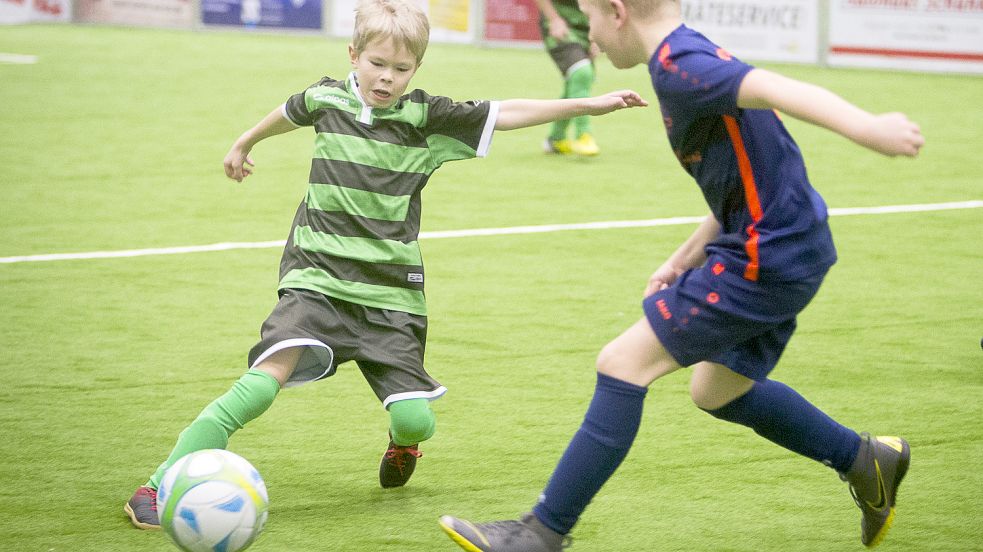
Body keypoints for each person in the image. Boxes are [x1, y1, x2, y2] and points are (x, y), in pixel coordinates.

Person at [123, 0, 646, 531]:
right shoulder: (327, 98)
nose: (386, 78)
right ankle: (160, 482)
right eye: (376, 64)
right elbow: (290, 110)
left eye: (401, 70)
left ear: (416, 70)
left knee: (415, 418)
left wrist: (589, 106)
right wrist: (245, 141)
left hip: (390, 295)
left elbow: (505, 111)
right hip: (316, 282)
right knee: (259, 385)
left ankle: (404, 443)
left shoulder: (425, 119)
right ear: (354, 55)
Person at [439, 0, 924, 550]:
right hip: (785, 246)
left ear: (617, 12)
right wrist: (685, 257)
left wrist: (870, 129)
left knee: (622, 364)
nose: (590, 35)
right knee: (718, 389)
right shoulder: (684, 57)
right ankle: (867, 461)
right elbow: (744, 178)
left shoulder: (679, 64)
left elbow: (776, 89)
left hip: (769, 256)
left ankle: (540, 534)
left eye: (590, 18)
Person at [535, 0, 601, 156]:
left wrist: (599, 32)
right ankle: (584, 135)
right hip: (560, 22)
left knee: (578, 79)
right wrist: (553, 19)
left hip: (588, 26)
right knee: (582, 72)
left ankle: (555, 139)